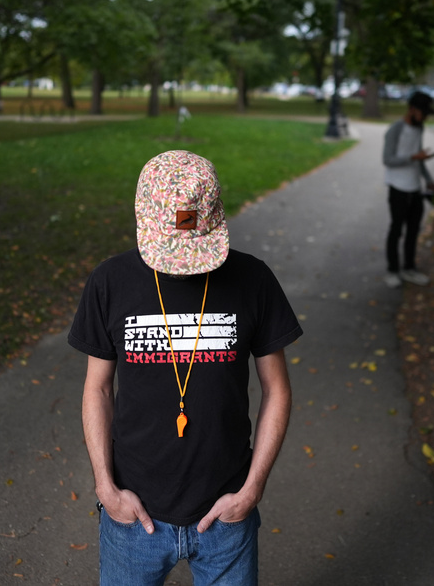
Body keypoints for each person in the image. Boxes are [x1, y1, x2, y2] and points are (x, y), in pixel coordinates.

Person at [69, 150, 301, 586]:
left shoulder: (253, 279)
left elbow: (278, 389)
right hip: (131, 515)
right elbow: (97, 389)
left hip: (227, 515)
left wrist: (251, 490)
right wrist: (106, 487)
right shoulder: (110, 281)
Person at [382, 90, 434, 289]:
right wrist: (413, 158)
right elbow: (387, 160)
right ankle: (392, 269)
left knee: (413, 231)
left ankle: (409, 268)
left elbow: (419, 159)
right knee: (396, 230)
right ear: (411, 109)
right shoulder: (395, 130)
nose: (425, 117)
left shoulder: (419, 128)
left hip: (415, 188)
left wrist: (429, 180)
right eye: (423, 113)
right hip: (398, 188)